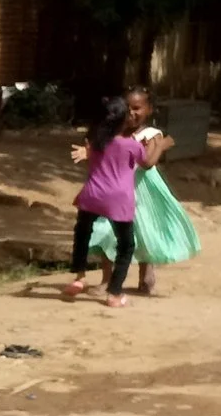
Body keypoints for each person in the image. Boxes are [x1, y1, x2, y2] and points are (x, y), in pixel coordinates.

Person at [81, 87, 197, 295]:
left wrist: (160, 145)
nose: (132, 113)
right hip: (115, 189)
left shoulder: (151, 134)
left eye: (137, 108)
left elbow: (148, 164)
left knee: (144, 230)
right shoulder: (114, 132)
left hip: (142, 190)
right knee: (106, 230)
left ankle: (146, 270)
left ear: (149, 110)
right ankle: (106, 280)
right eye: (127, 108)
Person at [60, 93, 168, 308]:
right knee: (126, 246)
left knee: (82, 234)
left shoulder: (97, 142)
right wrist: (161, 145)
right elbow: (147, 164)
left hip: (91, 196)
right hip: (118, 200)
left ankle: (79, 277)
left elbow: (93, 152)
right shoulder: (132, 145)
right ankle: (114, 293)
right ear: (123, 120)